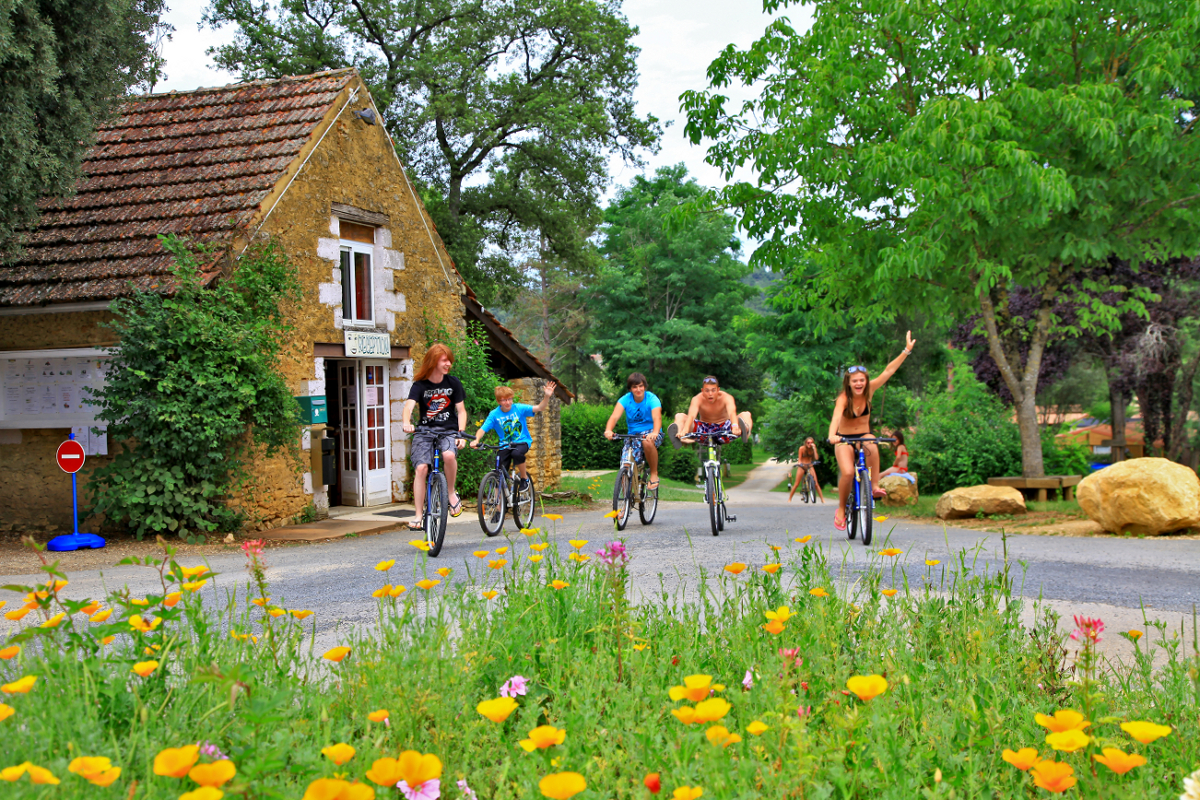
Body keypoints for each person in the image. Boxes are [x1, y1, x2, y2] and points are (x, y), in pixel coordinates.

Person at [827, 331, 916, 531]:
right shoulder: (843, 398)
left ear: (866, 381)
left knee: (872, 443)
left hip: (863, 436)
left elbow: (888, 371)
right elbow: (835, 417)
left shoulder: (870, 391)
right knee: (848, 472)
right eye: (854, 381)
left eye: (862, 380)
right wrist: (833, 435)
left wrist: (906, 351)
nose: (859, 384)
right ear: (848, 383)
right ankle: (841, 508)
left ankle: (874, 486)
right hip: (843, 438)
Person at [401, 343, 467, 530]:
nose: (448, 364)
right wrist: (407, 422)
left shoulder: (453, 383)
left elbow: (461, 411)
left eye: (450, 361)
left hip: (448, 431)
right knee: (421, 469)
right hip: (424, 432)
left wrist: (460, 433)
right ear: (433, 361)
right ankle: (418, 515)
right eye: (444, 360)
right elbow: (408, 407)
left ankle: (451, 492)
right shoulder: (419, 385)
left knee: (448, 455)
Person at [470, 381, 558, 485]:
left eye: (509, 399)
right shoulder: (494, 414)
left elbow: (539, 408)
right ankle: (498, 500)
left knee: (516, 453)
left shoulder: (519, 408)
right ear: (498, 401)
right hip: (505, 445)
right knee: (499, 473)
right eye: (504, 400)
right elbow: (482, 429)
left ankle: (524, 478)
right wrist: (476, 440)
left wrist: (547, 396)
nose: (507, 402)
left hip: (522, 442)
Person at [604, 372, 663, 490]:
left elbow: (657, 417)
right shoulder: (625, 400)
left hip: (651, 432)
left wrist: (655, 432)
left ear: (644, 386)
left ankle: (654, 474)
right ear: (630, 388)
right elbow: (614, 417)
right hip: (633, 435)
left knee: (647, 441)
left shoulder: (652, 399)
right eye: (634, 387)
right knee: (625, 466)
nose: (638, 389)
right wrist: (608, 430)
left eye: (640, 386)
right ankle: (626, 504)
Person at [668, 375, 753, 447]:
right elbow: (691, 416)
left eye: (713, 390)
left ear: (718, 390)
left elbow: (732, 413)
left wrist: (735, 426)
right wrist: (685, 430)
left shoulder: (727, 398)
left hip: (725, 429)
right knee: (679, 416)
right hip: (704, 430)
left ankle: (745, 430)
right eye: (707, 391)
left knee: (746, 414)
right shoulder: (697, 399)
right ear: (702, 391)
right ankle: (679, 436)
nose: (710, 394)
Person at [788, 436, 825, 503]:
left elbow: (816, 458)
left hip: (810, 466)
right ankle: (790, 499)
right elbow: (799, 458)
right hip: (802, 466)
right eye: (808, 442)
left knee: (816, 483)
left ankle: (822, 499)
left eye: (811, 443)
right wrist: (799, 464)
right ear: (805, 443)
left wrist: (814, 448)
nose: (809, 444)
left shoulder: (812, 449)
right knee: (796, 484)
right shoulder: (802, 448)